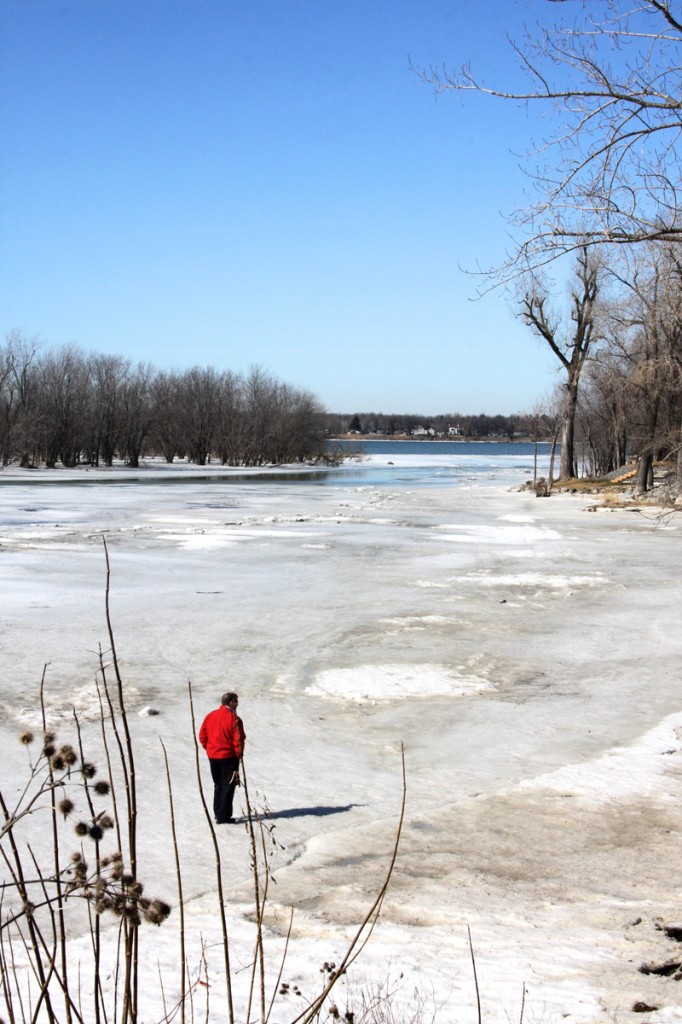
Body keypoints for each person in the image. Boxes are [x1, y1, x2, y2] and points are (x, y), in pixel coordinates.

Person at [199, 692, 245, 824]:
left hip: (213, 756)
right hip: (228, 757)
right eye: (236, 701)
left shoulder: (210, 715)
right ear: (231, 702)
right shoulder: (234, 719)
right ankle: (223, 817)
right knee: (228, 786)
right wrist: (239, 755)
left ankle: (218, 813)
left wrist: (209, 748)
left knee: (218, 784)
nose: (237, 704)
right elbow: (238, 740)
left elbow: (203, 735)